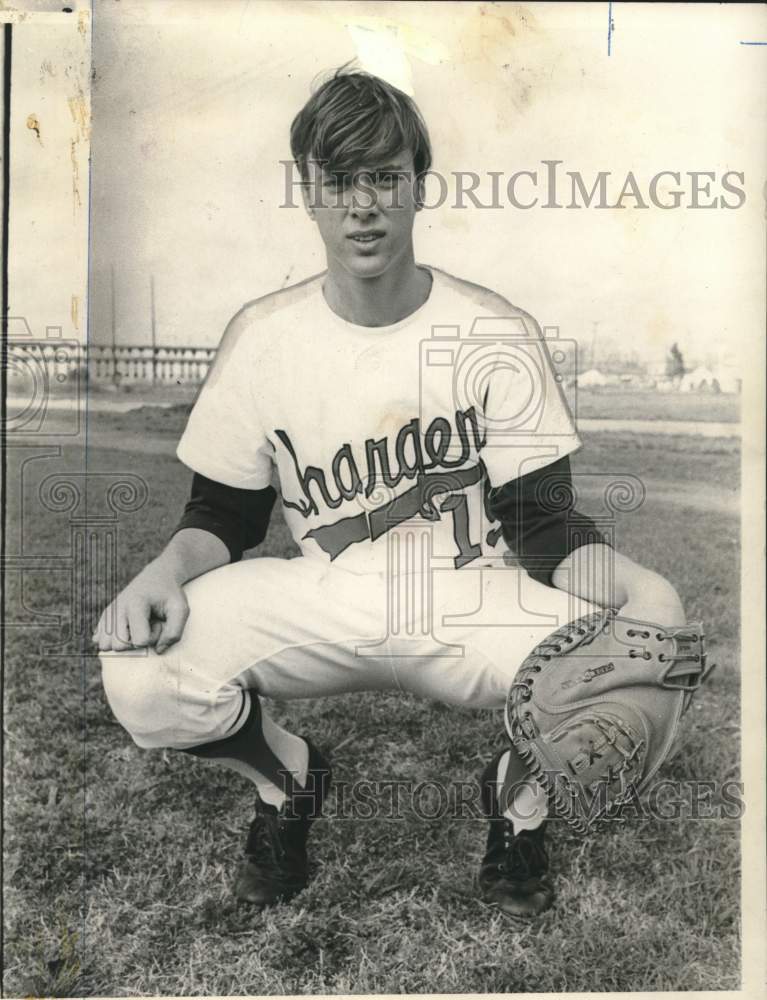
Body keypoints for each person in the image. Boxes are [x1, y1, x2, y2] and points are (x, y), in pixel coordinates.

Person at [94, 68, 687, 919]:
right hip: (323, 593)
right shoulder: (264, 338)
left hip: (471, 596)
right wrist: (160, 571)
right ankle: (286, 780)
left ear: (418, 187)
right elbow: (223, 515)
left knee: (625, 668)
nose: (362, 204)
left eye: (384, 176)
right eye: (338, 180)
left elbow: (542, 523)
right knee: (140, 672)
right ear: (308, 192)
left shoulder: (491, 332)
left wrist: (637, 589)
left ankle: (517, 804)